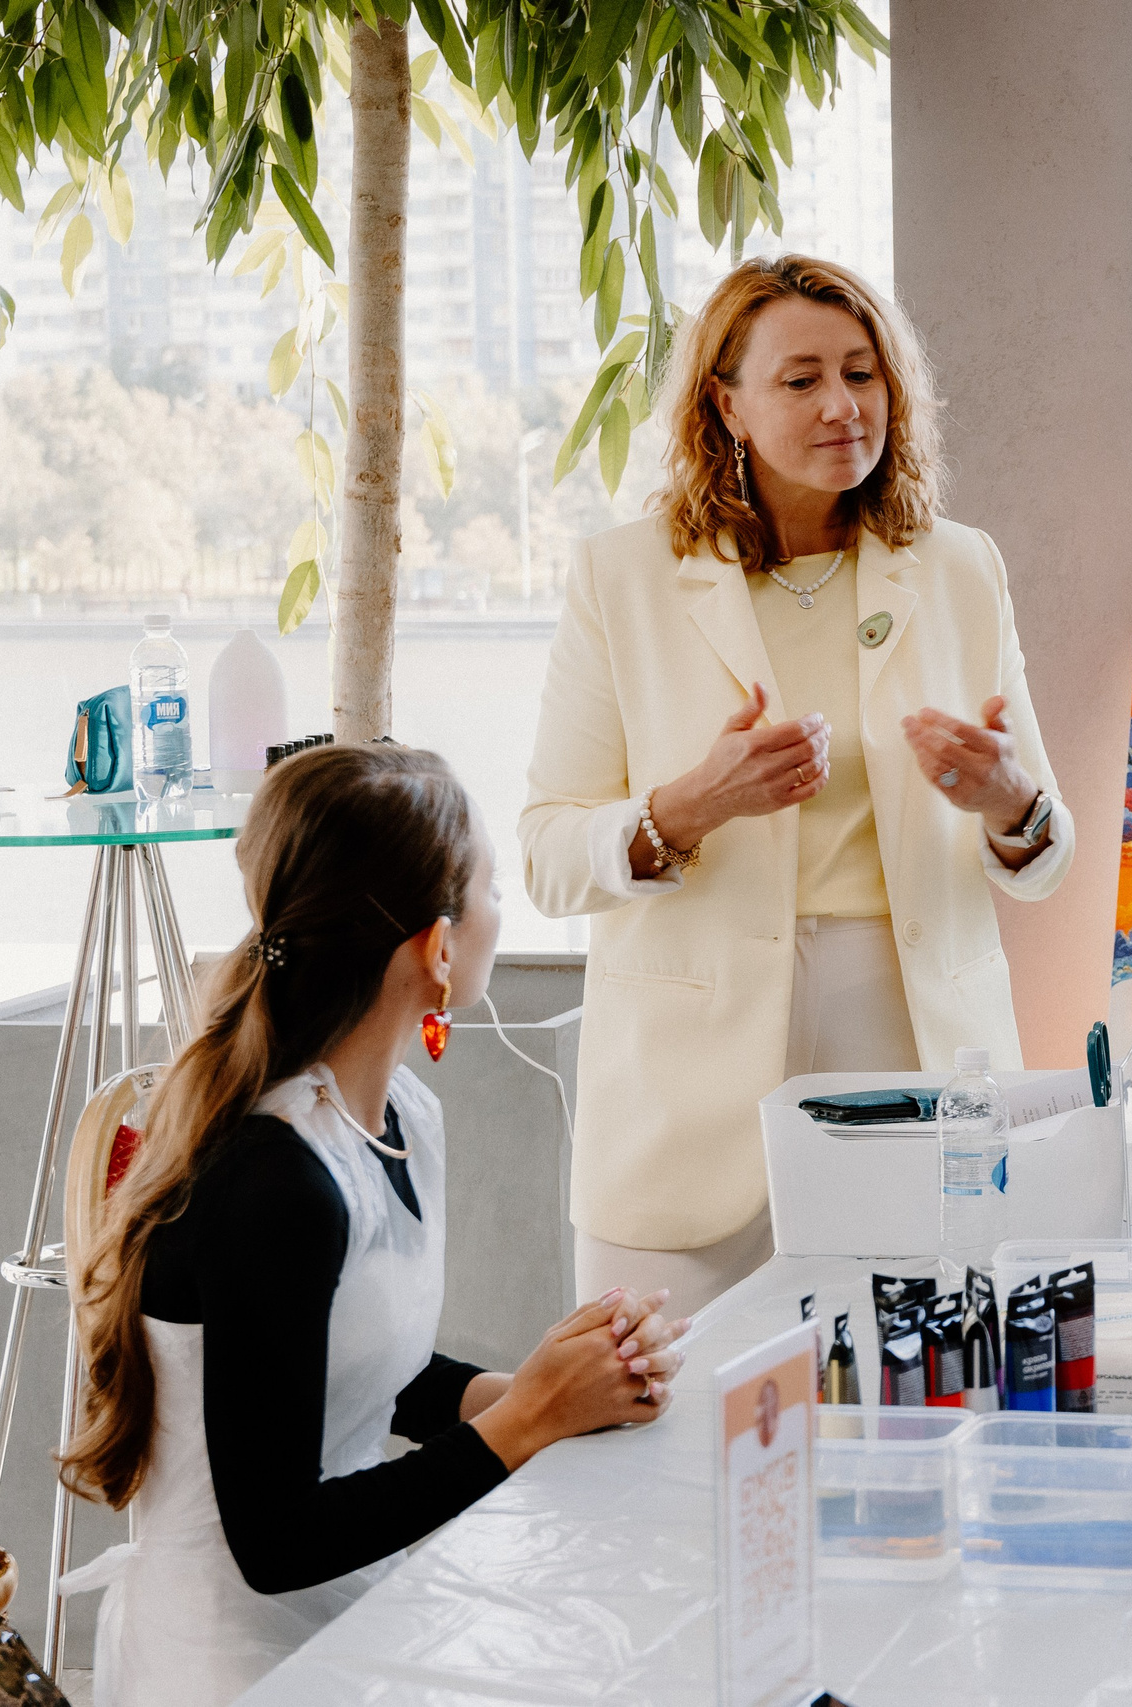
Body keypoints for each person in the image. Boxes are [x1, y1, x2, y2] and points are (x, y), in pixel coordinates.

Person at [55, 745, 685, 1707]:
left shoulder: (397, 1119)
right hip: (233, 1661)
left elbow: (360, 1369)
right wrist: (527, 1419)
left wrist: (560, 1387)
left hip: (350, 1609)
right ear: (437, 947)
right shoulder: (275, 1182)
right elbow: (276, 1542)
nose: (501, 909)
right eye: (490, 889)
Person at [521, 256, 1073, 1308]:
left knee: (915, 1388)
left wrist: (1010, 801)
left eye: (863, 374)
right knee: (655, 1395)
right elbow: (548, 858)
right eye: (802, 379)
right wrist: (690, 807)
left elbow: (1046, 855)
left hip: (911, 1062)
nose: (841, 406)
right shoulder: (622, 577)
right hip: (685, 1092)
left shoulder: (961, 567)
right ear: (725, 404)